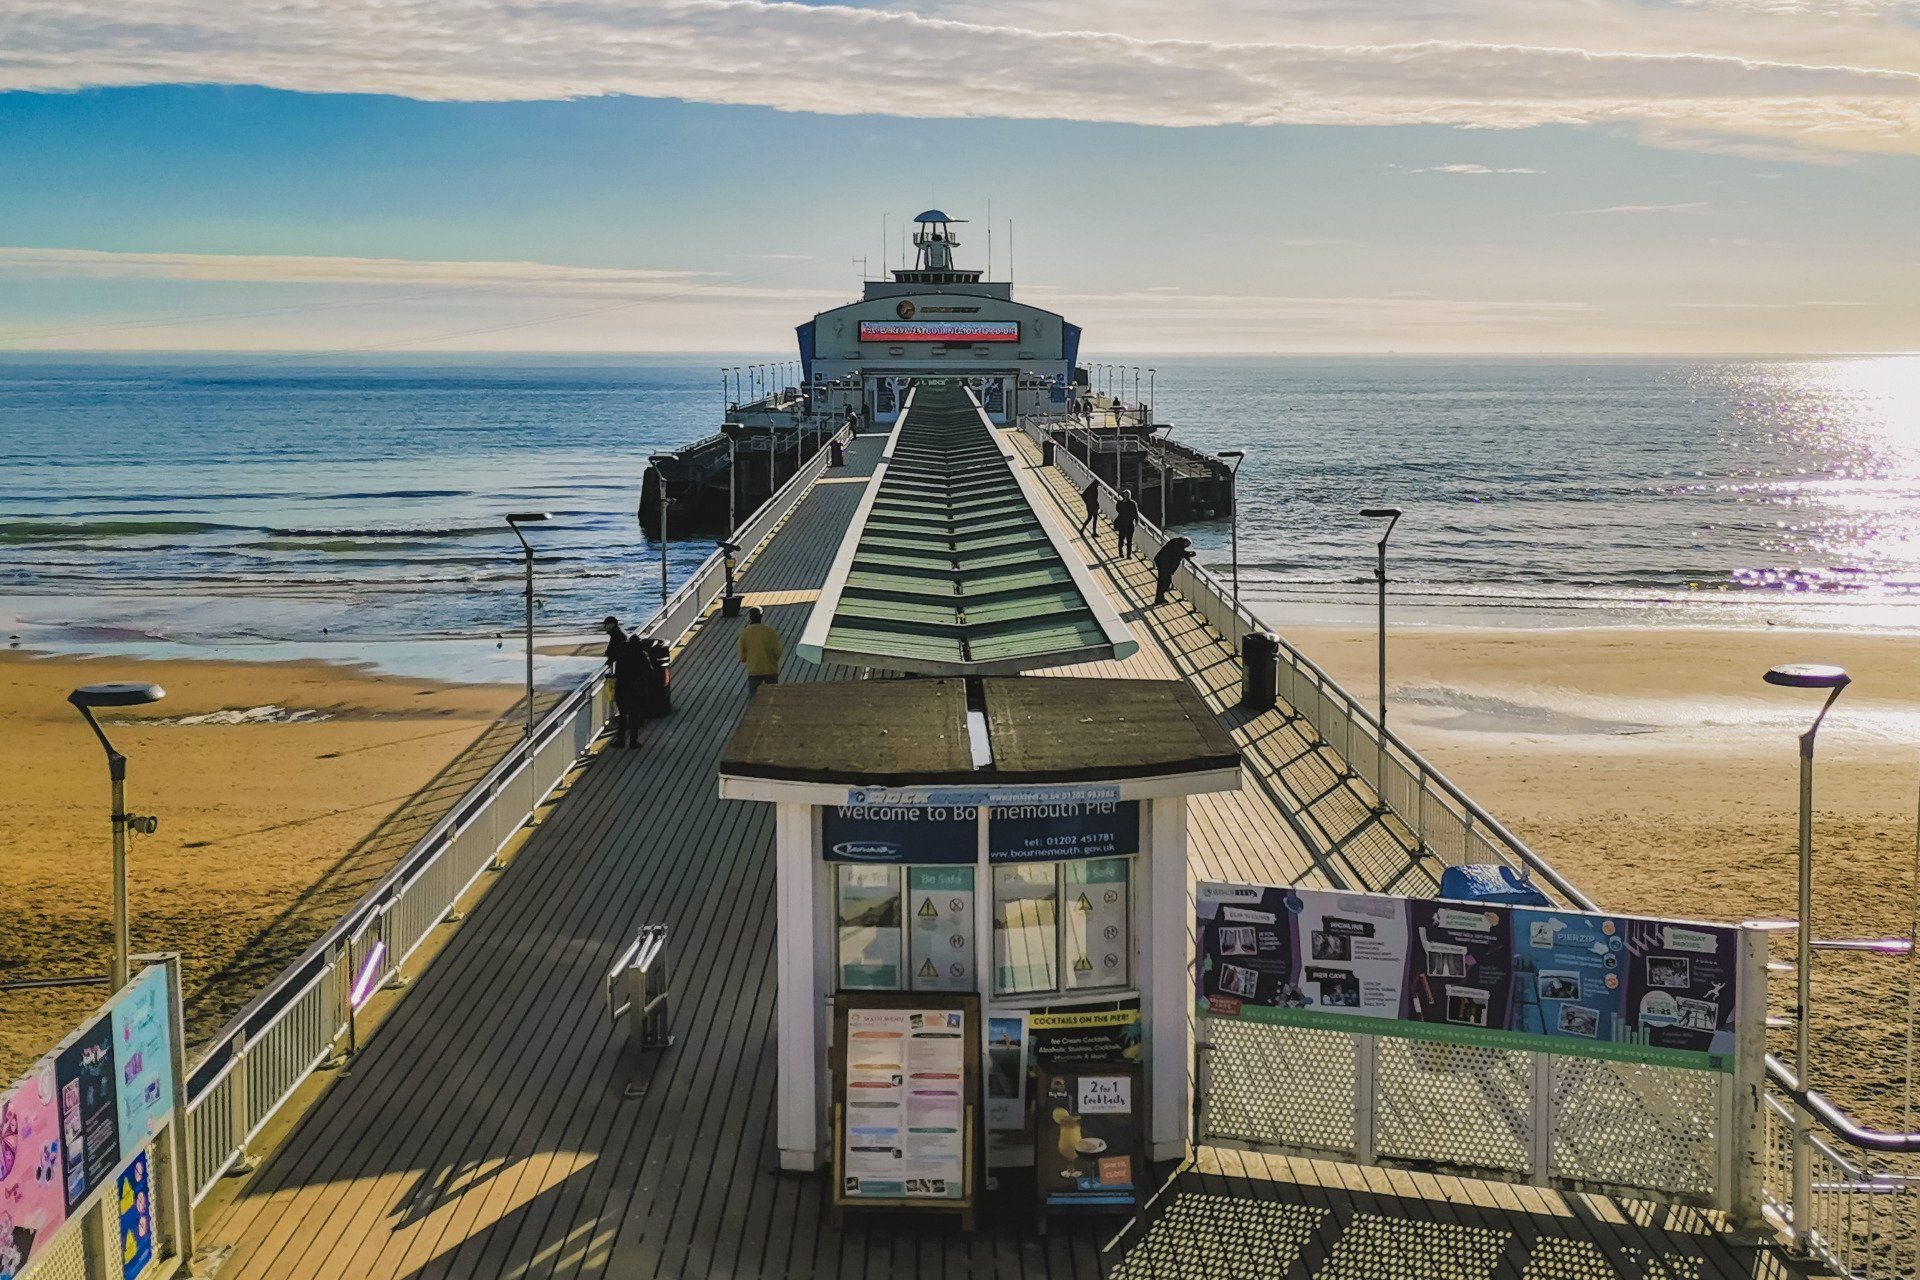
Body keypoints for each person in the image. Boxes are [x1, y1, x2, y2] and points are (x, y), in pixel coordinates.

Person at [602, 616, 647, 748]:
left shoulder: (622, 649)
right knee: (633, 715)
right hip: (636, 687)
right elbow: (648, 669)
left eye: (606, 625)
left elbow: (613, 657)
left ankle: (621, 740)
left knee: (622, 714)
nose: (605, 627)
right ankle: (633, 741)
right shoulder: (640, 654)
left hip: (622, 686)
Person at [738, 606, 783, 692]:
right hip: (770, 670)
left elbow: (742, 657)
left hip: (754, 670)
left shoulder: (745, 633)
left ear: (750, 617)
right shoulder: (770, 632)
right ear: (761, 617)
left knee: (754, 698)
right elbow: (777, 652)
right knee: (772, 696)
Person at [1153, 535, 1195, 606]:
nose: (1186, 547)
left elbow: (1180, 553)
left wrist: (1188, 553)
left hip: (1162, 562)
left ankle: (1159, 598)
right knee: (1165, 581)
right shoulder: (1178, 545)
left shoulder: (1176, 542)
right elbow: (1180, 553)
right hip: (1164, 564)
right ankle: (1159, 598)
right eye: (1187, 545)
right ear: (1185, 542)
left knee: (1163, 581)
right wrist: (1190, 554)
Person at [1113, 488, 1139, 558]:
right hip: (1122, 524)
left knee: (1129, 540)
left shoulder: (1133, 503)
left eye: (1128, 494)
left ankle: (1128, 555)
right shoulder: (1121, 503)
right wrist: (1118, 502)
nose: (1127, 496)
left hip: (1129, 524)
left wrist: (1136, 521)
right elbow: (1118, 510)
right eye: (1125, 494)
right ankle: (1121, 553)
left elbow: (1136, 513)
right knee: (1121, 539)